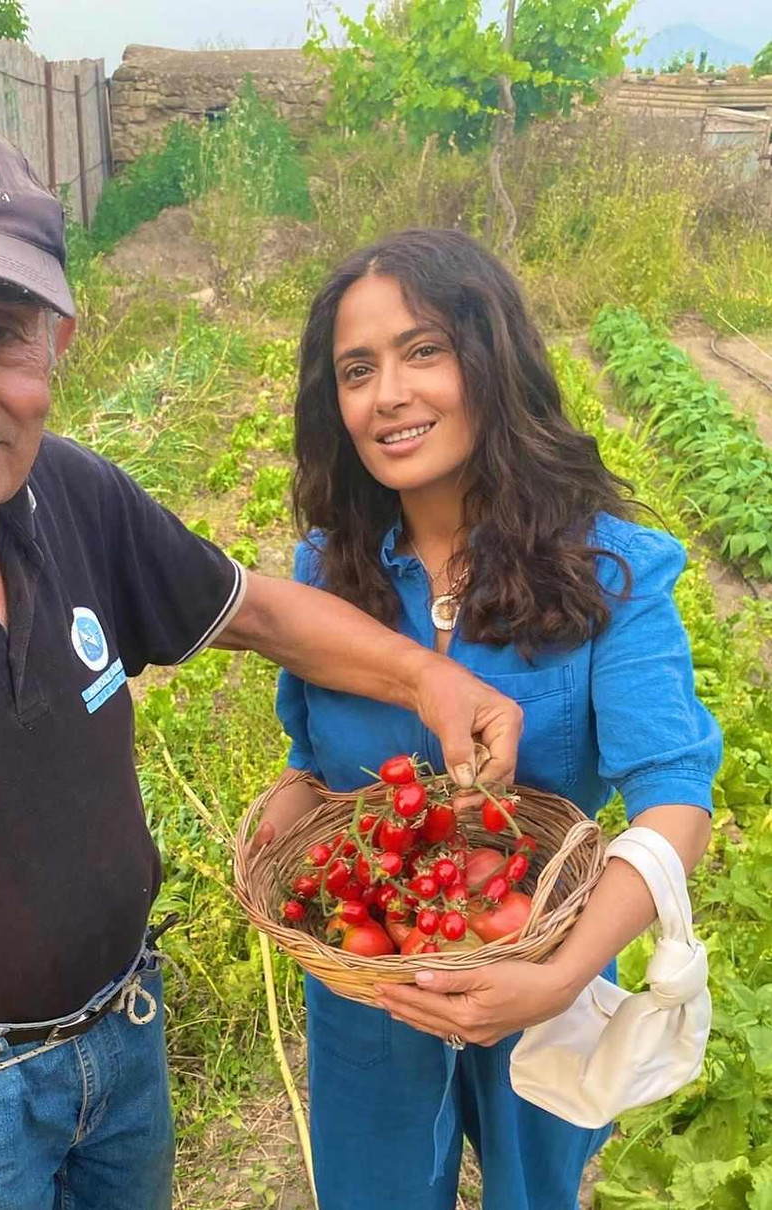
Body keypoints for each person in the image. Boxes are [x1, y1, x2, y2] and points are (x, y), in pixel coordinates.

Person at [0, 122, 524, 1210]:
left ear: (58, 345)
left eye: (2, 332)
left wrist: (426, 679)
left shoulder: (68, 494)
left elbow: (256, 610)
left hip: (125, 1038)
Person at [255, 229, 721, 1210]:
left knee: (534, 1190)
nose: (388, 394)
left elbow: (674, 801)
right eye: (356, 369)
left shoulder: (608, 571)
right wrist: (291, 799)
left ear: (490, 359)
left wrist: (559, 980)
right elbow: (314, 759)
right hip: (372, 979)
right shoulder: (323, 574)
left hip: (542, 961)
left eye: (423, 350)